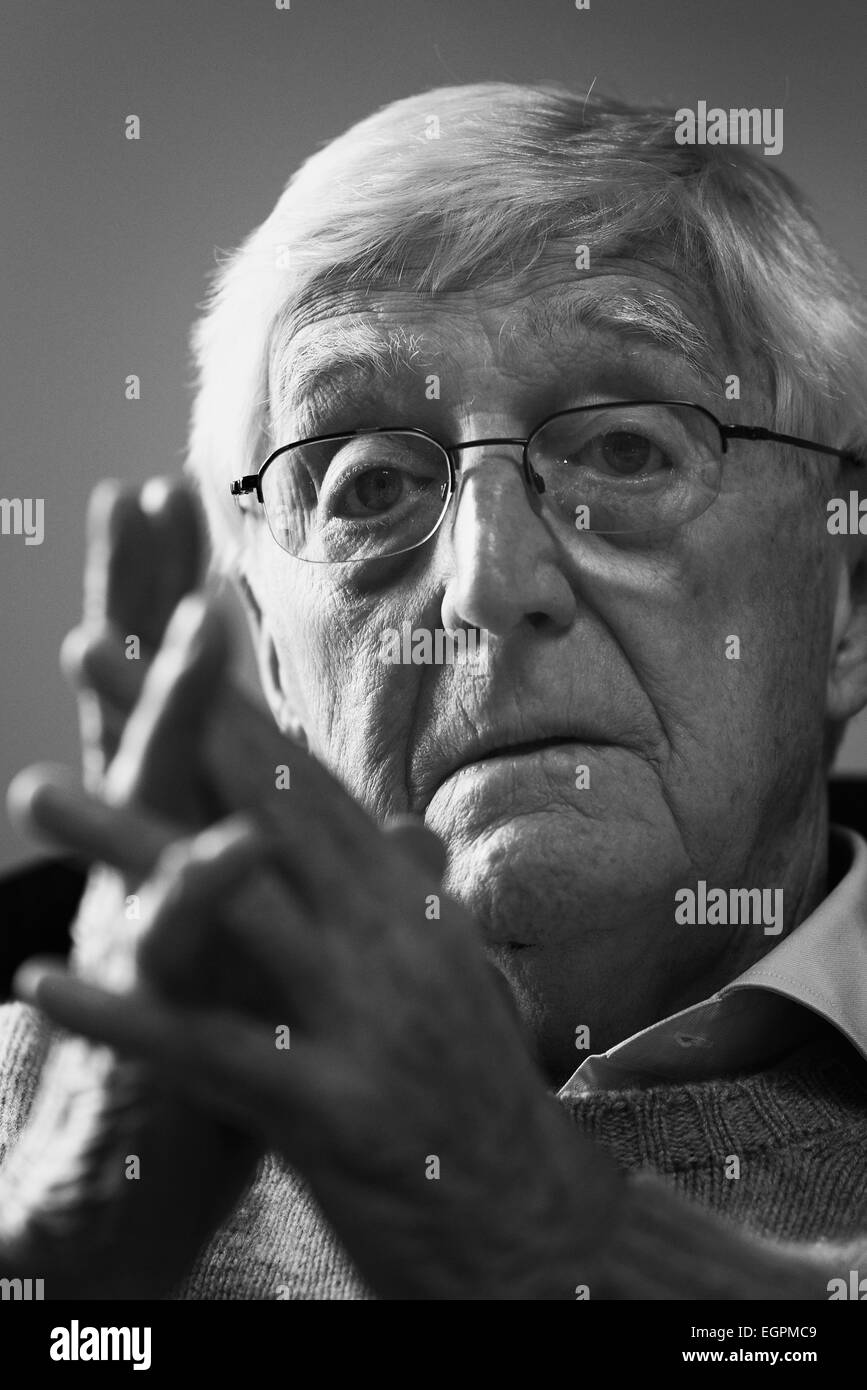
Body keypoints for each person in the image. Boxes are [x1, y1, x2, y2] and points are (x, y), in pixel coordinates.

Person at [1, 81, 867, 1300]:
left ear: (852, 597)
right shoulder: (40, 1110)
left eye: (626, 448)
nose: (485, 580)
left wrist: (564, 1242)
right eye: (365, 486)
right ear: (268, 658)